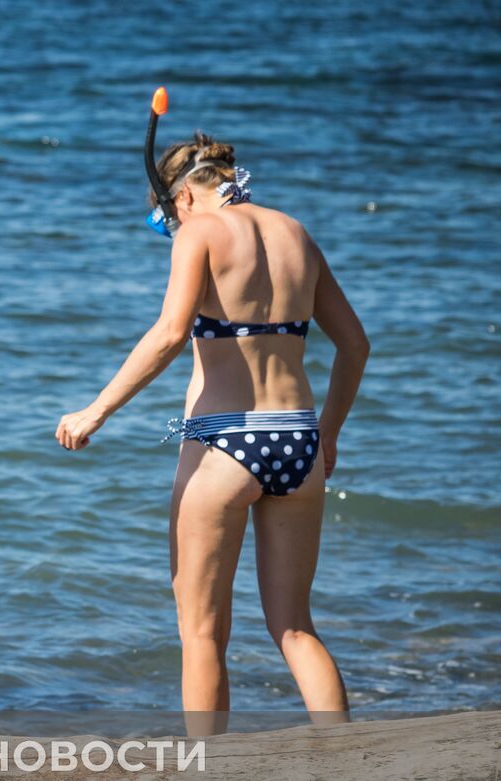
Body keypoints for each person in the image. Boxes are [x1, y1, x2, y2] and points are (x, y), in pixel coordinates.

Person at [55, 130, 369, 726]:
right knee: (296, 627)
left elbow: (172, 334)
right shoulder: (296, 232)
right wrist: (328, 433)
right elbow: (355, 344)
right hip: (298, 441)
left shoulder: (198, 233)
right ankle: (349, 768)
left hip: (225, 442)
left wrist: (95, 411)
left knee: (201, 635)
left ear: (184, 198)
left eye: (166, 217)